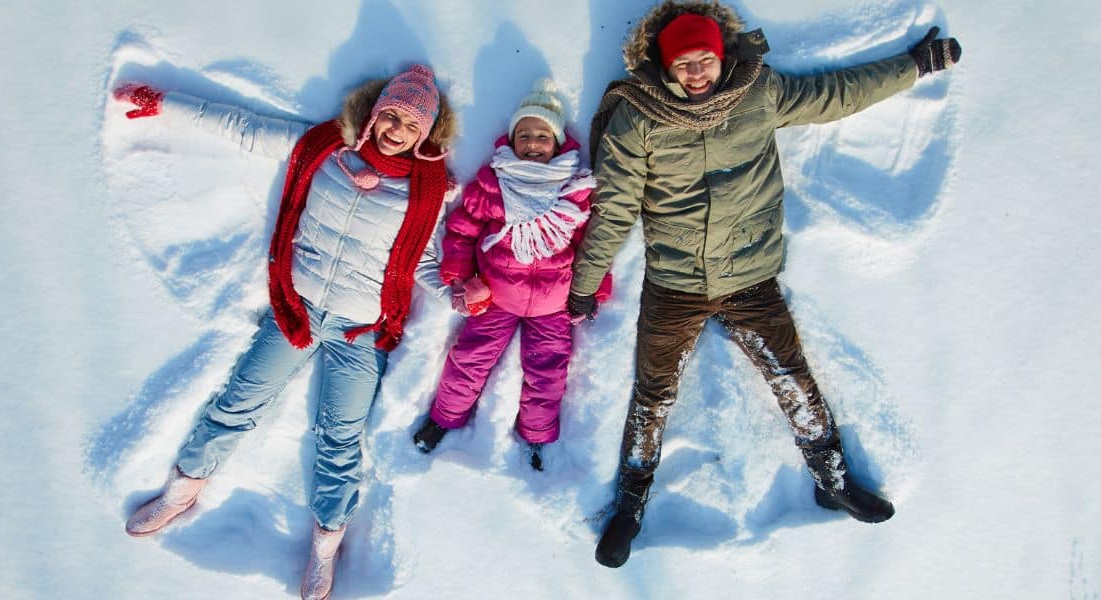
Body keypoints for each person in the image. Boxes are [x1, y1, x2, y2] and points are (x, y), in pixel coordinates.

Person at [568, 1, 962, 568]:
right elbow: (616, 208)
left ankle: (832, 478)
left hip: (750, 276)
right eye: (684, 64)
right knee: (653, 393)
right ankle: (631, 505)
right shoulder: (638, 118)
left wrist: (915, 66)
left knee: (791, 375)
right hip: (674, 284)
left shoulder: (758, 93)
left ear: (722, 56)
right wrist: (587, 281)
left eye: (705, 59)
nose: (697, 72)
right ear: (665, 66)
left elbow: (838, 94)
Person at [113, 64, 457, 599]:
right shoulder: (324, 147)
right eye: (390, 115)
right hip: (296, 308)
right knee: (237, 403)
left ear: (426, 134)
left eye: (411, 125)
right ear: (373, 113)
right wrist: (165, 104)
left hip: (358, 329)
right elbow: (243, 127)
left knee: (340, 438)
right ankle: (182, 489)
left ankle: (325, 543)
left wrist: (458, 292)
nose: (396, 129)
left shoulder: (428, 191)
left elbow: (426, 261)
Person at [410, 79, 611, 470]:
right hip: (495, 295)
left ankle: (537, 436)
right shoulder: (493, 182)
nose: (533, 143)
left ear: (557, 142)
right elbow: (464, 228)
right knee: (469, 359)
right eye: (525, 135)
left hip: (554, 304)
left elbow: (591, 244)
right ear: (512, 140)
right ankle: (444, 418)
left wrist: (594, 289)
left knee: (547, 371)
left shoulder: (574, 189)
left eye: (542, 135)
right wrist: (459, 272)